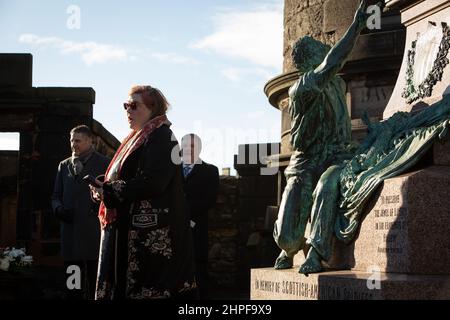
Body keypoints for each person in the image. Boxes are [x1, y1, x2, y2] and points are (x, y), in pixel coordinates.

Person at [273, 0, 369, 272]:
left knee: (327, 185)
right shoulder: (301, 88)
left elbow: (333, 64)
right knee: (288, 236)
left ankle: (316, 252)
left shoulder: (337, 83)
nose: (325, 46)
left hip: (336, 156)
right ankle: (288, 248)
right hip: (305, 160)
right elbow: (334, 60)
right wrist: (356, 25)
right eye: (319, 48)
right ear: (310, 61)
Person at [91, 85, 197, 299]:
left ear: (152, 108)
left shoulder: (162, 137)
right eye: (125, 105)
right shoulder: (135, 138)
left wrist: (112, 190)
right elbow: (126, 175)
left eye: (133, 105)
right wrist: (103, 187)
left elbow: (154, 182)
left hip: (152, 234)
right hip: (129, 230)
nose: (127, 111)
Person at [51, 125, 110, 299]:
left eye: (77, 140)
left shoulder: (105, 164)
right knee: (73, 287)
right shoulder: (64, 165)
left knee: (95, 287)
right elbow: (55, 195)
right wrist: (58, 209)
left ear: (90, 140)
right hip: (71, 237)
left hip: (94, 236)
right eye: (71, 140)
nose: (73, 144)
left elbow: (113, 195)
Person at [181, 133, 219, 299]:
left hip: (197, 228)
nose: (189, 149)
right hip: (172, 227)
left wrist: (188, 218)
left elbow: (209, 199)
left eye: (193, 146)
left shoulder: (210, 171)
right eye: (186, 146)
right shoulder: (171, 170)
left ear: (199, 148)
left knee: (199, 269)